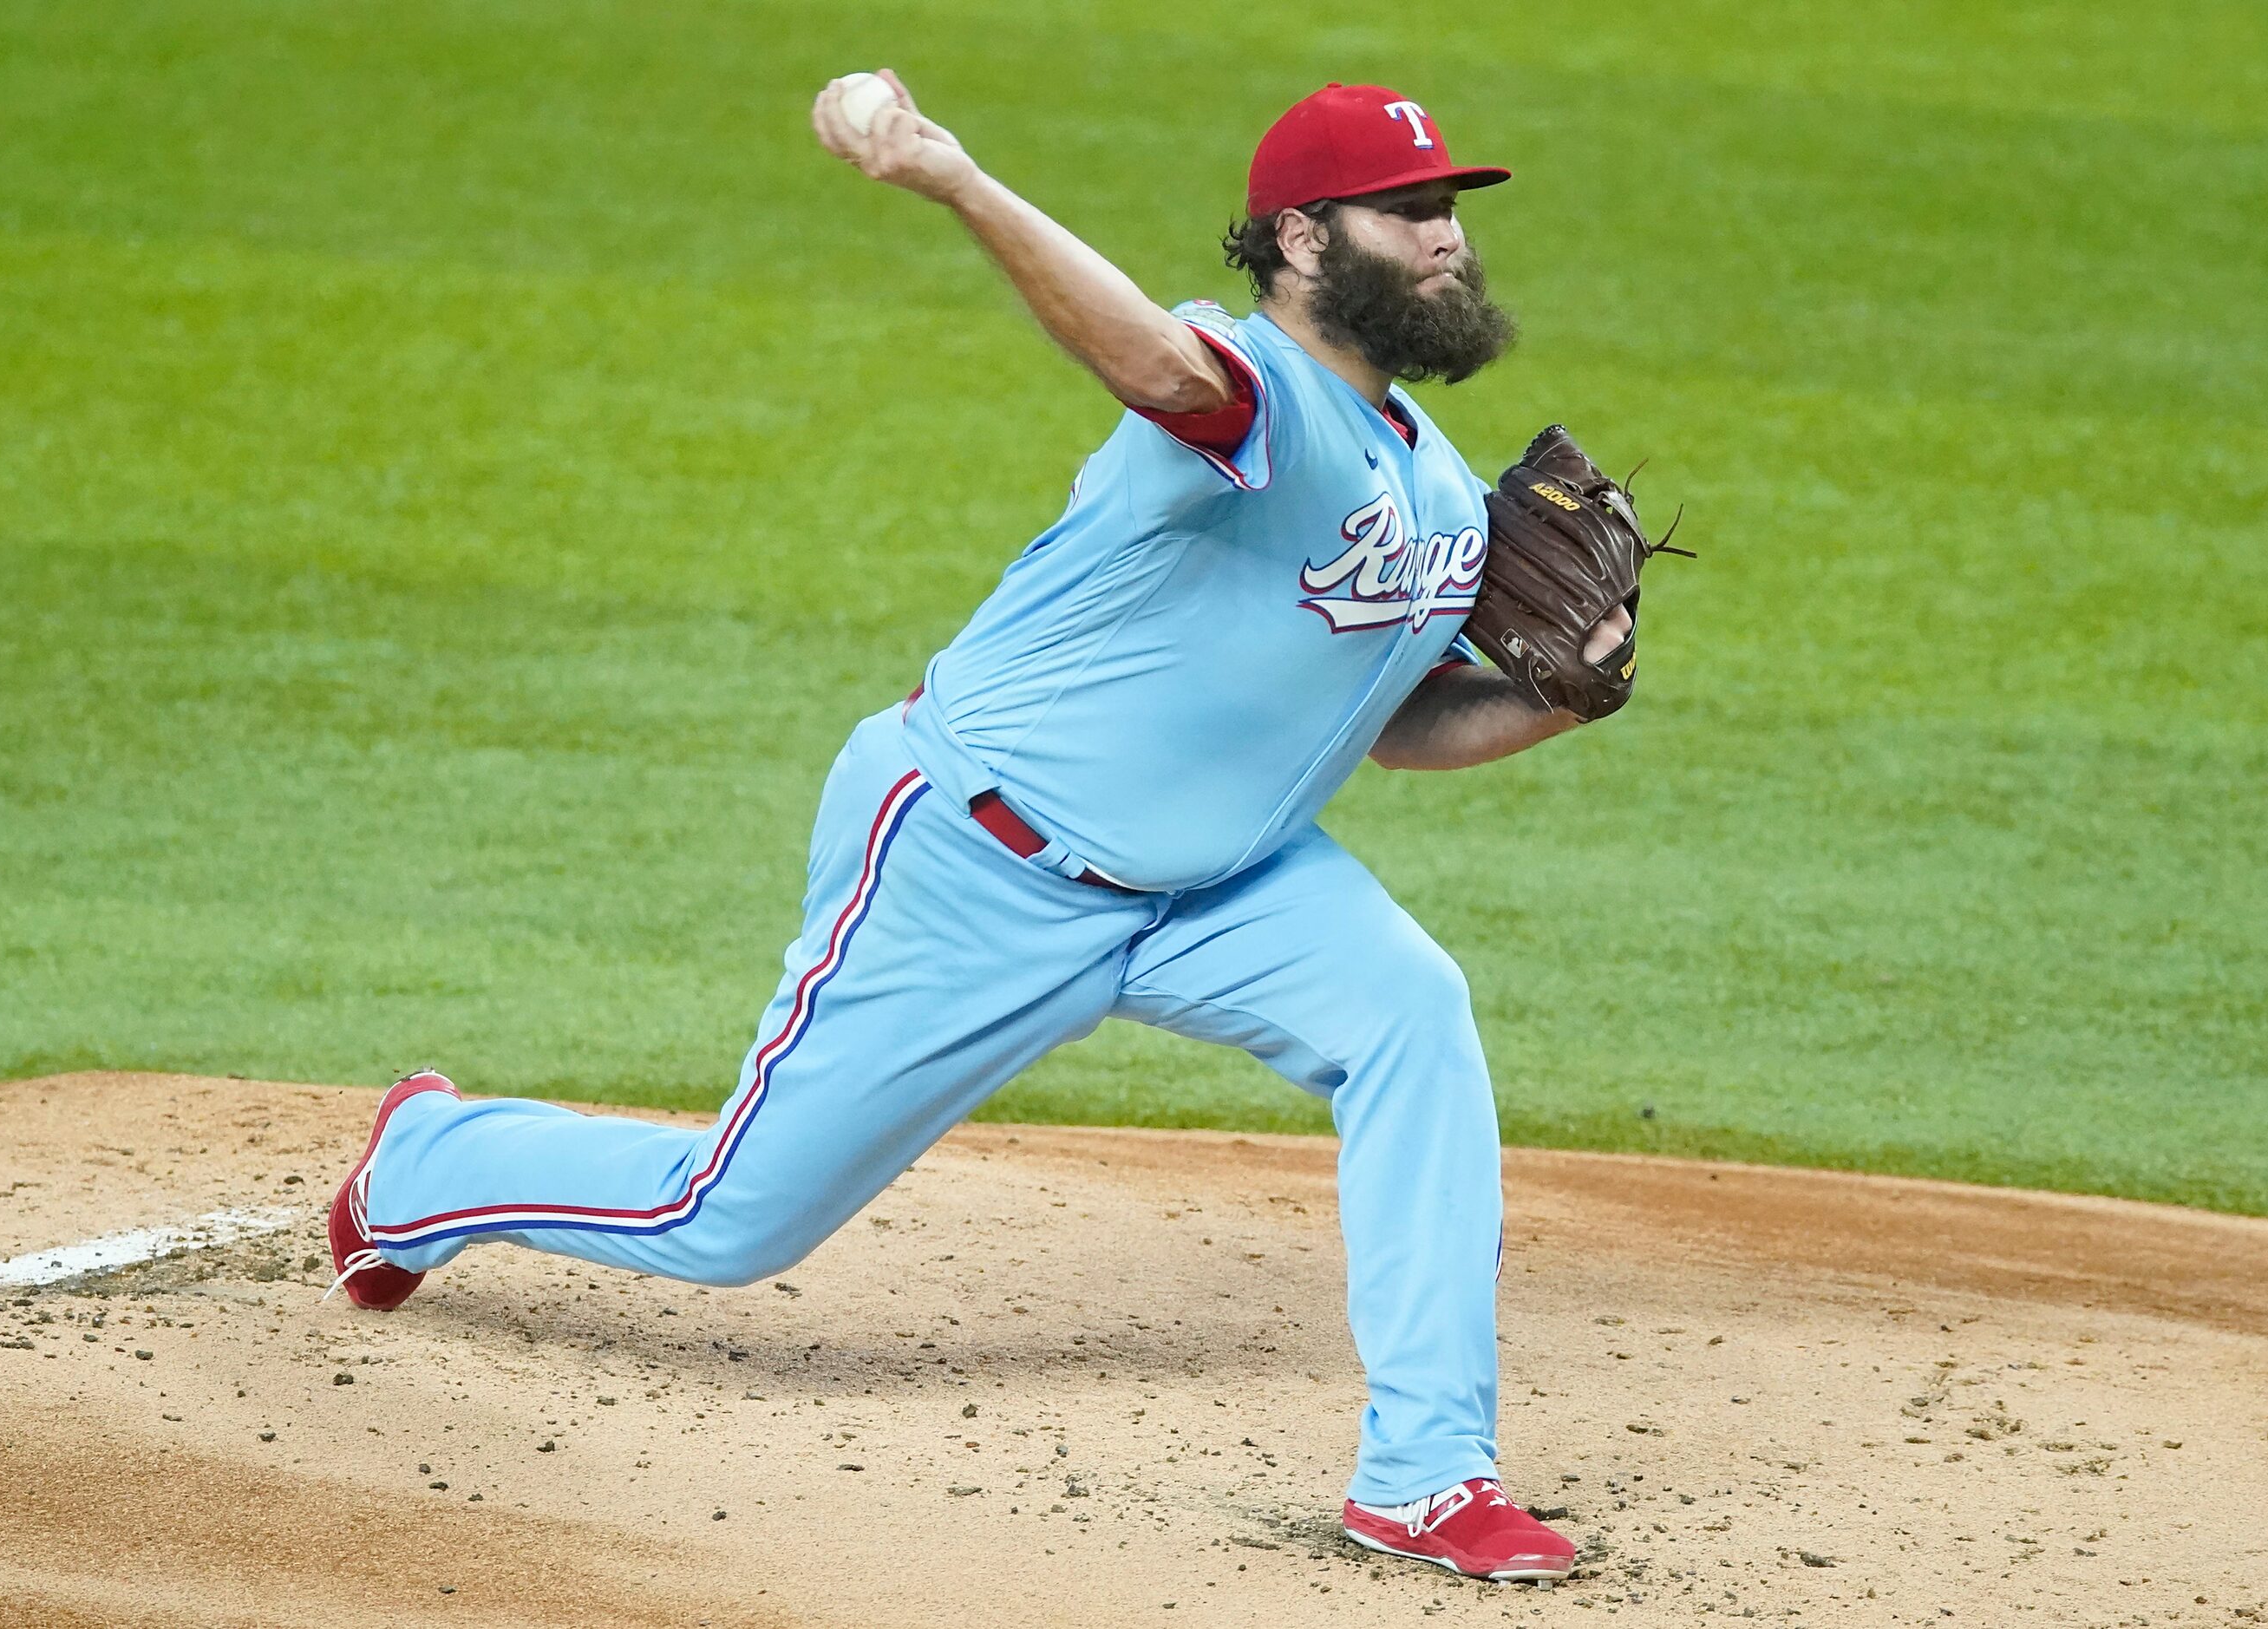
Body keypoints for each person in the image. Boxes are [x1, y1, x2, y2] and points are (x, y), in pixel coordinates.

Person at [329, 75, 1635, 1582]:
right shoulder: (1246, 393)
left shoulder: (1443, 493)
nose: (1445, 238)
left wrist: (1553, 703)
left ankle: (1424, 1475)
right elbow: (1149, 358)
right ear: (1295, 239)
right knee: (729, 1219)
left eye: (1449, 210)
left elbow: (1390, 725)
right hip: (977, 859)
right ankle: (424, 1161)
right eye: (1406, 211)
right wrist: (948, 174)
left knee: (1410, 1007)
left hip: (1222, 887)